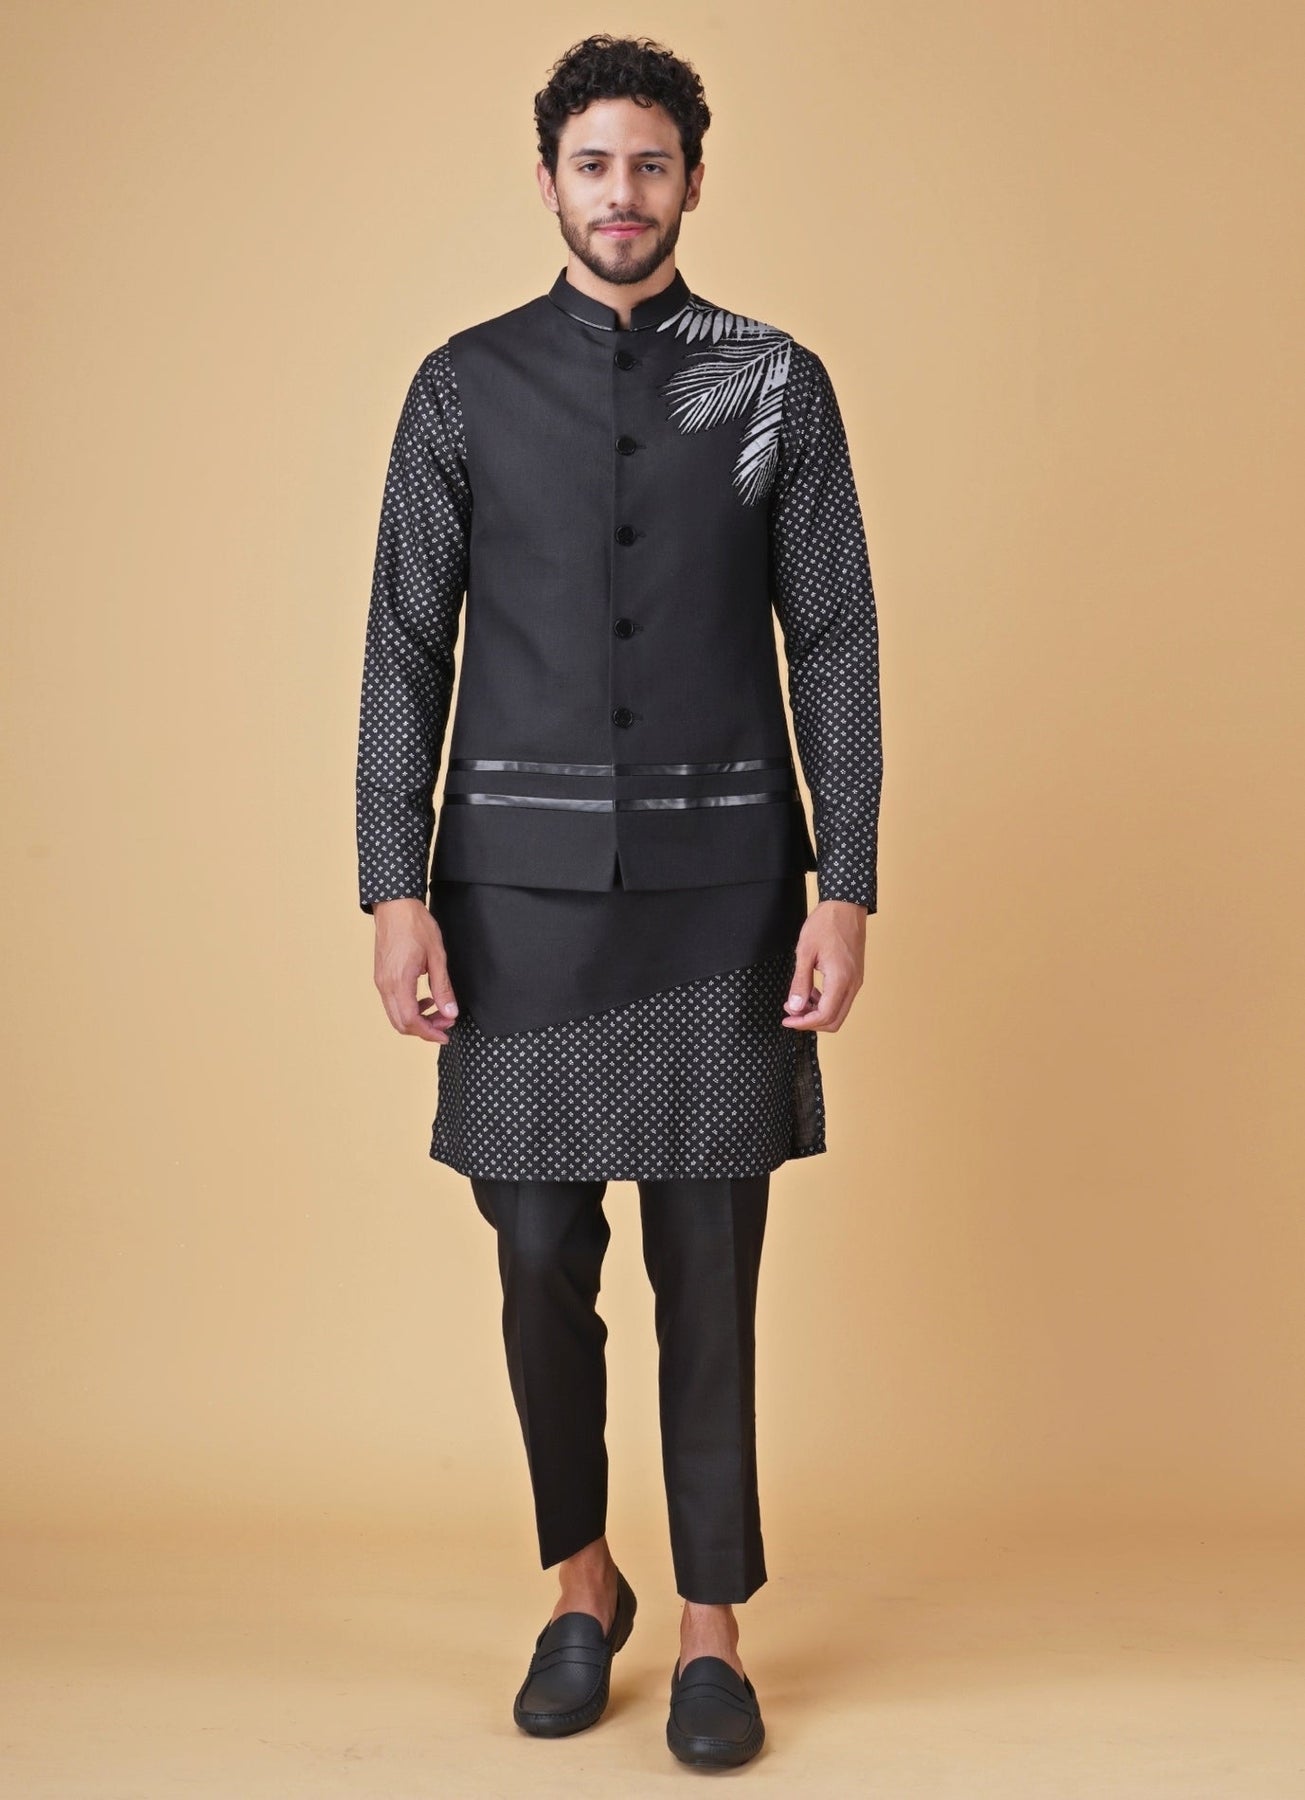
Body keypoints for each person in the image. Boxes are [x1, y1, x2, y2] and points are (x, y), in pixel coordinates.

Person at [354, 32, 883, 1771]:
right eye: (593, 163)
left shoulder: (773, 383)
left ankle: (715, 1630)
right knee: (533, 1263)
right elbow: (404, 648)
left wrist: (847, 884)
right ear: (548, 182)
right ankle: (582, 1589)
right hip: (515, 900)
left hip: (724, 892)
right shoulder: (461, 387)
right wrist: (390, 888)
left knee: (708, 1278)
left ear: (693, 181)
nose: (622, 192)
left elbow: (835, 640)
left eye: (651, 162)